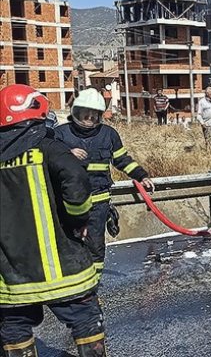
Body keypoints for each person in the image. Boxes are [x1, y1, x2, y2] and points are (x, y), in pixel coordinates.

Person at [0, 85, 107, 357]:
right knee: (85, 318)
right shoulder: (49, 148)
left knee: (14, 327)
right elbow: (77, 182)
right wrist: (78, 219)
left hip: (12, 276)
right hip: (62, 266)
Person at [54, 88, 154, 273]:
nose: (89, 119)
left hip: (98, 202)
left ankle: (94, 283)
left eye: (94, 116)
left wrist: (142, 176)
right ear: (76, 112)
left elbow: (122, 160)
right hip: (68, 203)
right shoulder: (59, 135)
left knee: (96, 246)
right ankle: (74, 283)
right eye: (85, 115)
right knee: (69, 245)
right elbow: (47, 161)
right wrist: (66, 154)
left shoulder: (109, 134)